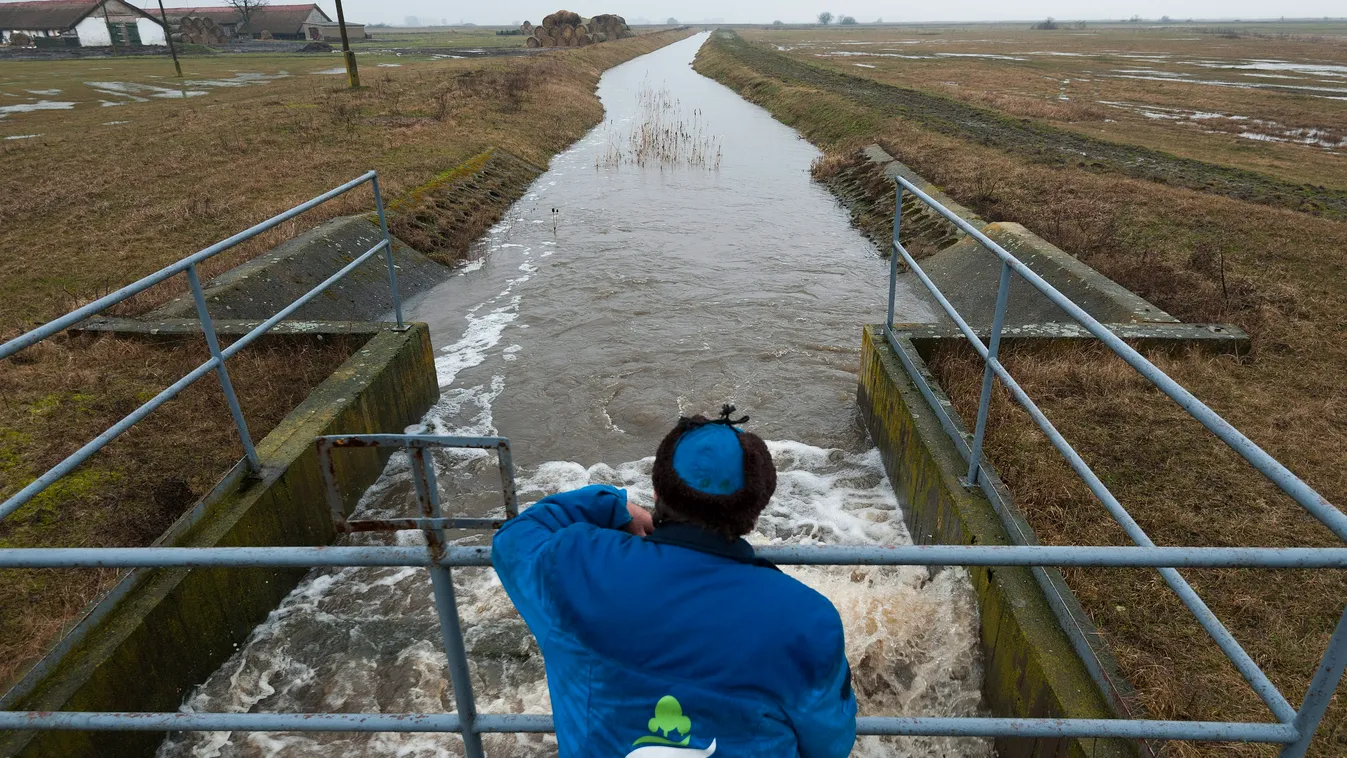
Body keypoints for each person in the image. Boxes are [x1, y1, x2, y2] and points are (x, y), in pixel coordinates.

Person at [493, 406, 857, 757]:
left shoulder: (576, 567)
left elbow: (515, 538)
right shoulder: (807, 621)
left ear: (657, 492)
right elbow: (830, 745)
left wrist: (610, 505)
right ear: (755, 514)